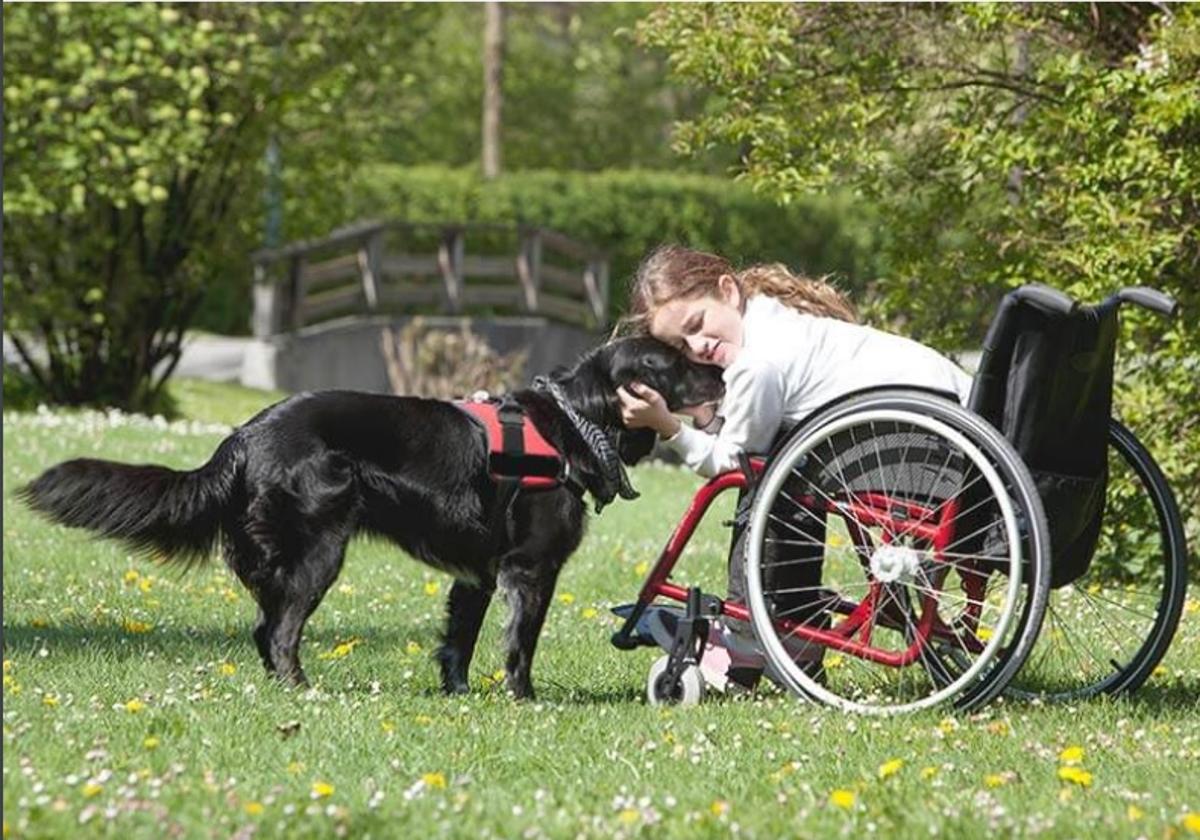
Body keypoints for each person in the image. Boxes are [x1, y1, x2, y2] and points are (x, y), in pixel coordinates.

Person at [615, 244, 972, 692]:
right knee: (780, 460)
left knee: (763, 472)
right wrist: (707, 418)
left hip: (922, 451)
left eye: (696, 325)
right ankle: (789, 633)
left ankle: (750, 636)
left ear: (727, 291)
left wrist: (667, 426)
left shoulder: (758, 362)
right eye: (680, 345)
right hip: (949, 435)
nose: (698, 347)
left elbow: (730, 463)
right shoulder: (779, 323)